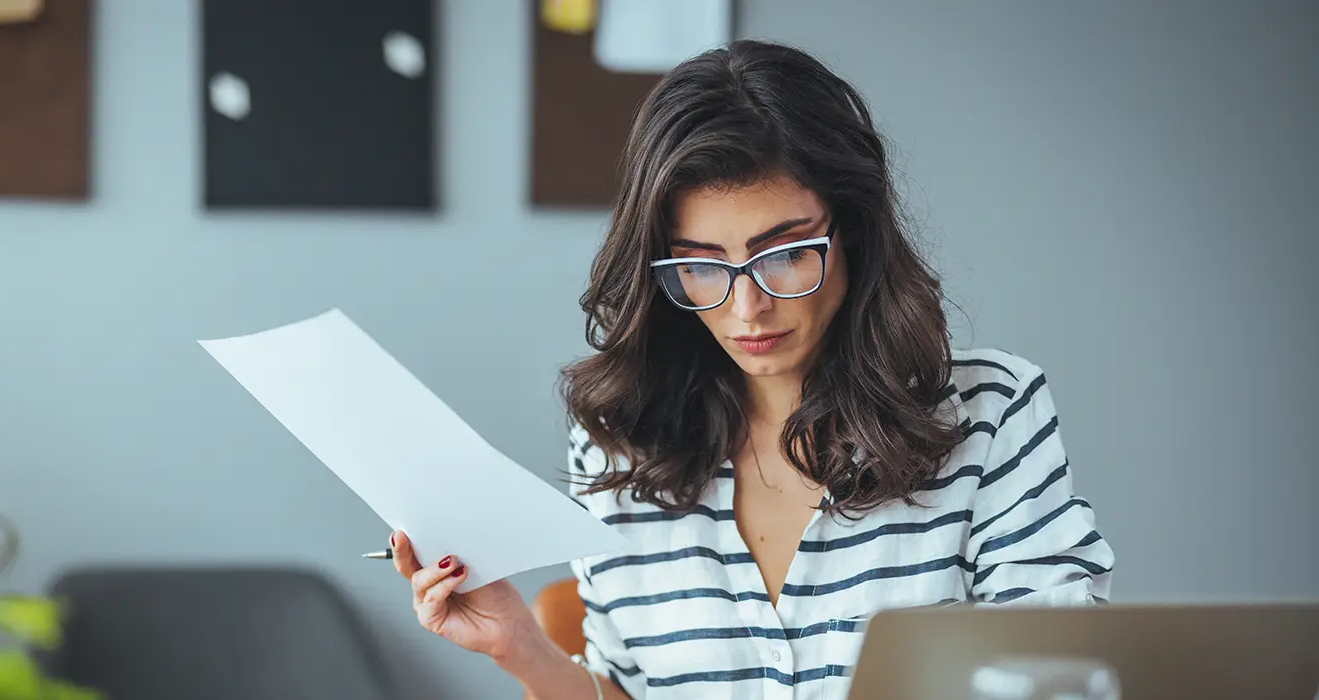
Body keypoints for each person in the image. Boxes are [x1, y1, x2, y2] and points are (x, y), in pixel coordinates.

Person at [389, 39, 1114, 700]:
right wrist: (522, 649)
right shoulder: (619, 442)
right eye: (702, 266)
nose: (747, 309)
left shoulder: (989, 414)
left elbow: (1059, 680)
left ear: (852, 232)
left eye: (786, 254)